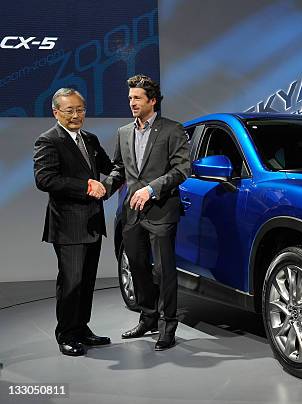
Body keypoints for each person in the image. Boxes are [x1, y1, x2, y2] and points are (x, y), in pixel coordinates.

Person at [103, 74, 190, 351]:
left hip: (161, 210)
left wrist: (151, 189)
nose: (132, 103)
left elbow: (181, 170)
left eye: (137, 98)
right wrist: (104, 187)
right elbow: (119, 169)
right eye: (130, 98)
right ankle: (148, 317)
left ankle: (167, 327)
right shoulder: (124, 132)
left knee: (164, 271)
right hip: (132, 213)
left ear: (152, 100)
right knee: (138, 267)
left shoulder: (172, 130)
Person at [33, 88, 113, 356]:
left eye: (80, 110)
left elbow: (109, 166)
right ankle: (66, 334)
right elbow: (45, 179)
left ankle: (81, 328)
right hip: (68, 226)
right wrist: (86, 186)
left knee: (87, 280)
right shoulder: (48, 141)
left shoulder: (89, 139)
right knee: (71, 282)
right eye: (70, 110)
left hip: (92, 222)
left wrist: (111, 182)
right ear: (56, 112)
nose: (76, 115)